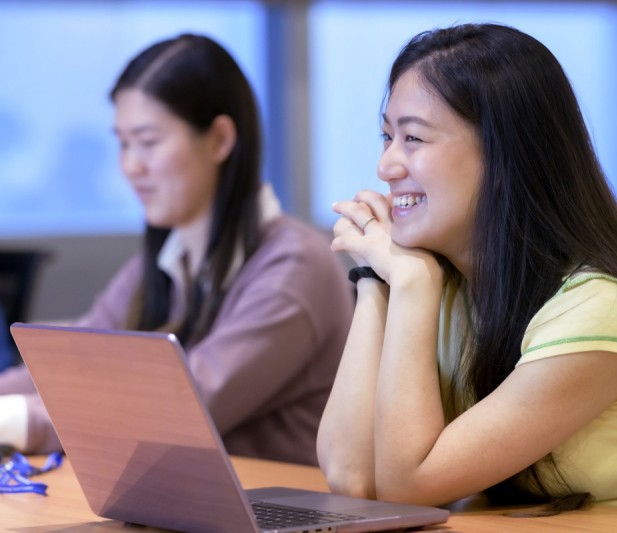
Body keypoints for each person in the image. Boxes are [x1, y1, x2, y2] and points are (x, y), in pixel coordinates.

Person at [317, 23, 617, 520]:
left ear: (505, 152)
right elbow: (349, 477)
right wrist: (376, 282)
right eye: (387, 135)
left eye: (414, 137)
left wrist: (412, 287)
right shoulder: (435, 276)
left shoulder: (597, 308)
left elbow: (409, 485)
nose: (387, 166)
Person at [0, 34, 354, 466]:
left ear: (220, 140)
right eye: (124, 143)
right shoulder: (169, 257)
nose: (131, 166)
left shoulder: (294, 264)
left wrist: (16, 420)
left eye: (148, 142)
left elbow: (179, 410)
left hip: (279, 513)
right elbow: (70, 364)